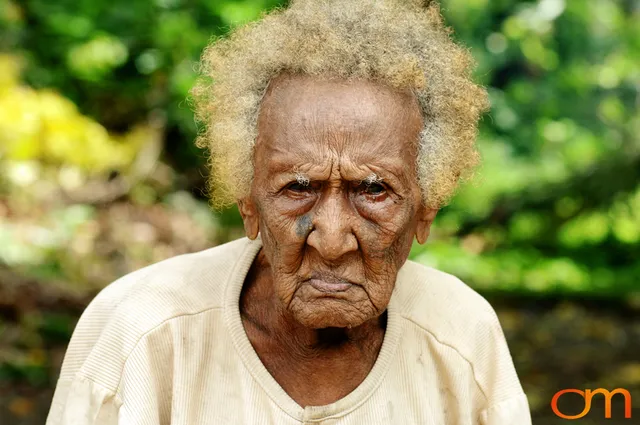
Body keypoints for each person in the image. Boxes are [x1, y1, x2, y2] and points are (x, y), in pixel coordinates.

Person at [46, 0, 532, 424]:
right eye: (298, 187)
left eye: (374, 190)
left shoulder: (461, 334)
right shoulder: (139, 330)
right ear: (247, 201)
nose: (333, 239)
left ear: (425, 211)